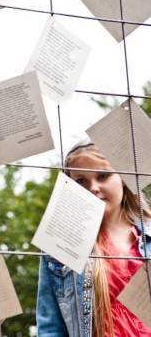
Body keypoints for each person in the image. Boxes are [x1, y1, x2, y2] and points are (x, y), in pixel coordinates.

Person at [36, 141, 151, 336]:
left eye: (103, 176)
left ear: (123, 177)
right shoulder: (60, 247)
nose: (93, 188)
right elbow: (50, 328)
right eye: (81, 181)